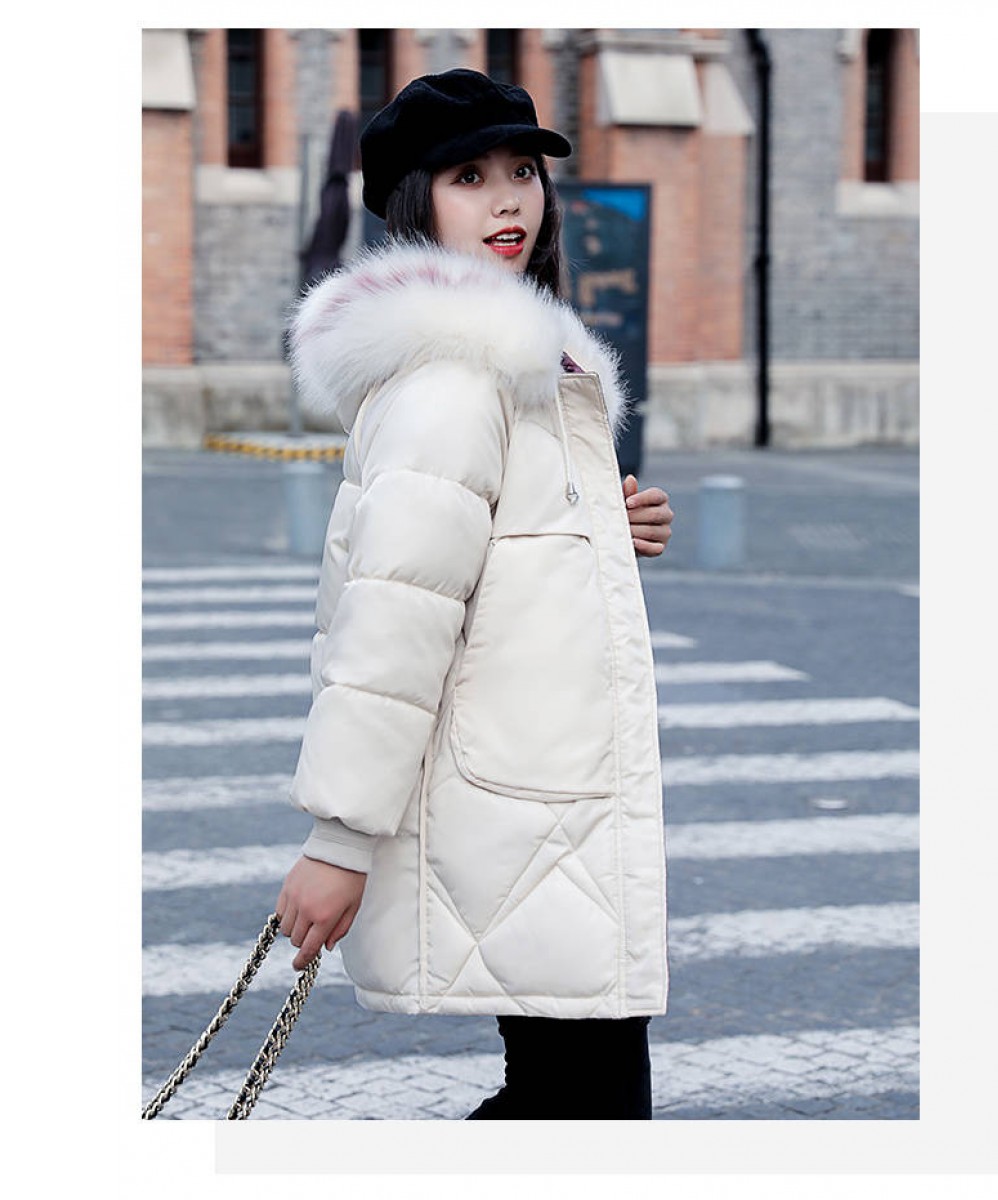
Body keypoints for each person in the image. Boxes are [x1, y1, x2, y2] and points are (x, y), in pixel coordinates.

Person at [274, 68, 674, 1120]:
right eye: (470, 177)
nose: (509, 200)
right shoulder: (455, 377)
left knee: (570, 1099)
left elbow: (492, 560)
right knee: (585, 1107)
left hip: (544, 802)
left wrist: (605, 526)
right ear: (415, 203)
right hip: (523, 810)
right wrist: (339, 841)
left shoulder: (520, 370)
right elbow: (392, 620)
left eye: (523, 172)